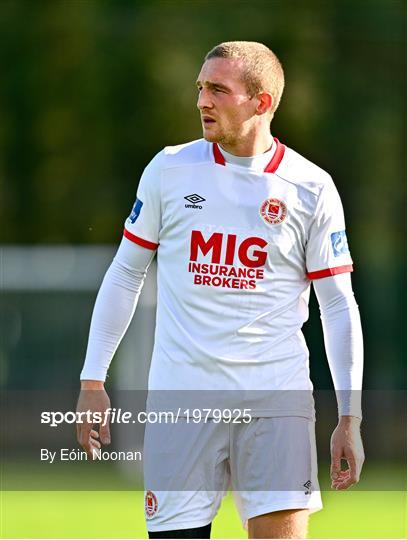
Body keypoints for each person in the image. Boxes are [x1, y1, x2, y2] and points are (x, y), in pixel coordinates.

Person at [77, 41, 364, 539]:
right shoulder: (170, 170)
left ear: (262, 102)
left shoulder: (311, 188)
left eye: (217, 90)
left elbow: (337, 304)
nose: (201, 101)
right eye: (199, 88)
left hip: (276, 400)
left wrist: (349, 416)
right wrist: (92, 381)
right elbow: (126, 273)